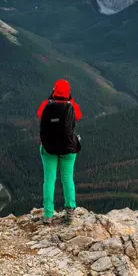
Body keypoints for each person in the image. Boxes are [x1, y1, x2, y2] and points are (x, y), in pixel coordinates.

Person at [36, 79, 83, 225]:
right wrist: (69, 100)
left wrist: (51, 99)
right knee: (67, 179)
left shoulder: (46, 105)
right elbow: (78, 116)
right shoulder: (72, 106)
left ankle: (48, 215)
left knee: (49, 180)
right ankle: (70, 213)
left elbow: (39, 114)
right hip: (68, 149)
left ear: (54, 90)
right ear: (68, 92)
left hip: (48, 148)